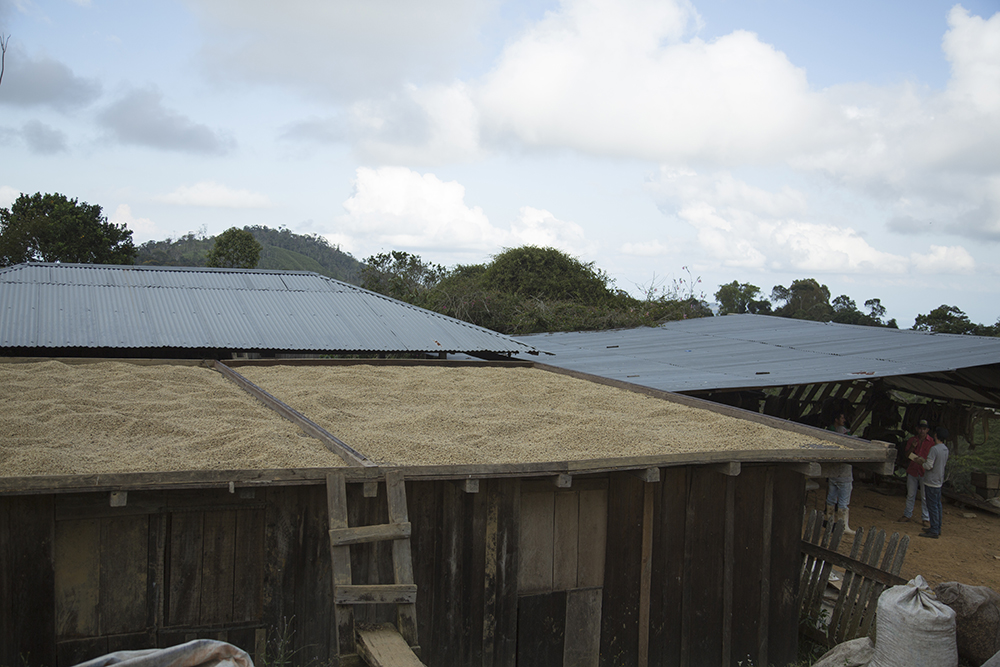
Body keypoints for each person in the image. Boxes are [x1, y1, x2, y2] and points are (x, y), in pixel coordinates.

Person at [897, 419, 934, 529]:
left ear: (927, 430)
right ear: (917, 429)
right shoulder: (912, 440)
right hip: (913, 470)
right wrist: (913, 447)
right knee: (911, 494)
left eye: (924, 429)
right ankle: (908, 514)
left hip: (924, 471)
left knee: (924, 496)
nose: (922, 431)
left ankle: (925, 518)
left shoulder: (931, 442)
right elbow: (906, 455)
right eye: (920, 429)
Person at [917, 426, 950, 539]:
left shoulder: (934, 449)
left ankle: (934, 529)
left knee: (932, 506)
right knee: (937, 505)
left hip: (930, 480)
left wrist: (922, 462)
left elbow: (929, 465)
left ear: (936, 436)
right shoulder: (945, 449)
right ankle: (937, 527)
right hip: (938, 480)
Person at [826, 412, 855, 535]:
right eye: (842, 417)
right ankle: (843, 526)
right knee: (843, 501)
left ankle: (830, 522)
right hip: (844, 473)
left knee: (831, 499)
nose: (844, 419)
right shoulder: (843, 433)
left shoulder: (830, 433)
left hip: (833, 472)